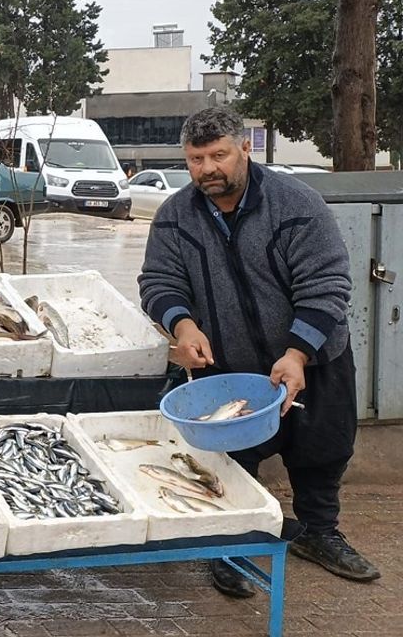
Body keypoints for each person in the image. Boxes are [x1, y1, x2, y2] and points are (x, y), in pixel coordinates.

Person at [139, 106, 380, 599]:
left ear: (245, 148)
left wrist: (297, 352)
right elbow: (159, 281)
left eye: (219, 155)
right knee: (231, 460)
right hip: (230, 367)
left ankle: (318, 532)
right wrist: (182, 325)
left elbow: (328, 284)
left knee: (322, 450)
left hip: (313, 358)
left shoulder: (296, 203)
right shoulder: (174, 216)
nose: (208, 169)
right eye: (196, 159)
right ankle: (231, 542)